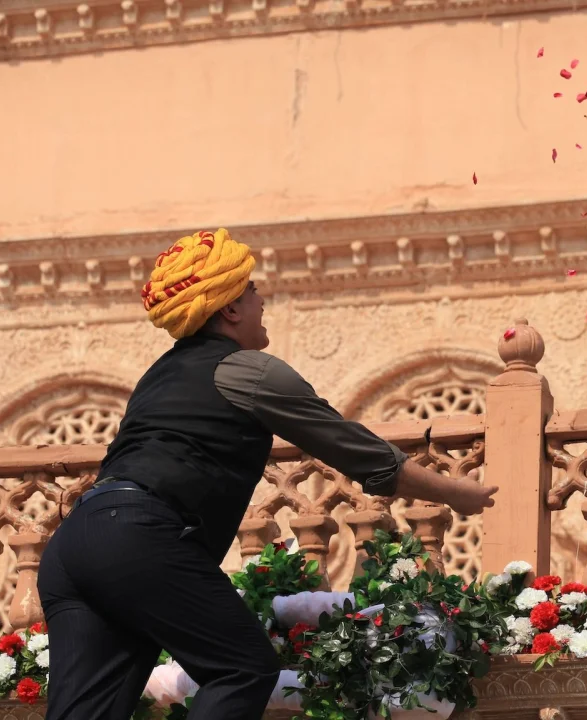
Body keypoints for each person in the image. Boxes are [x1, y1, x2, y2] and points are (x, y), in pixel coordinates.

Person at [37, 228, 498, 720]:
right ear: (231, 310)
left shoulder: (158, 375)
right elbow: (360, 453)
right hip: (137, 538)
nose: (262, 302)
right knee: (242, 668)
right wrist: (455, 492)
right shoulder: (246, 370)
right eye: (253, 291)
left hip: (73, 545)